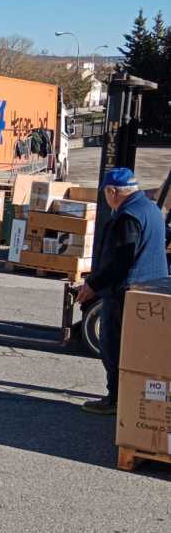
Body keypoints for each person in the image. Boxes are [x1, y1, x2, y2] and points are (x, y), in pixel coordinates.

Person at [76, 167, 168, 415]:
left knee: (113, 346)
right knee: (139, 349)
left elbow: (119, 262)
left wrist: (93, 285)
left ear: (112, 191)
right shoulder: (150, 209)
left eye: (106, 193)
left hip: (127, 292)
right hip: (152, 288)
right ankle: (131, 398)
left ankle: (115, 399)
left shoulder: (127, 217)